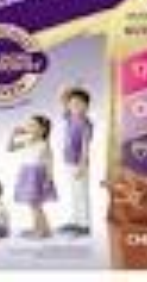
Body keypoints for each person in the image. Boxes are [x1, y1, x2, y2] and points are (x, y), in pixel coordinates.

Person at [8, 115, 57, 239]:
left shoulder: (44, 144)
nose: (29, 127)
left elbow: (50, 163)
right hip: (26, 174)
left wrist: (49, 179)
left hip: (37, 176)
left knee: (35, 205)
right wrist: (13, 135)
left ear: (42, 129)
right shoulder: (27, 141)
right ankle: (44, 230)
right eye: (28, 125)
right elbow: (10, 148)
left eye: (33, 125)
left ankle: (40, 231)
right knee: (33, 205)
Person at [59, 87, 93, 237]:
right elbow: (63, 100)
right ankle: (75, 221)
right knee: (74, 193)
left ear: (86, 106)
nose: (75, 107)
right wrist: (69, 92)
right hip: (69, 162)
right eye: (72, 104)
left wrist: (82, 166)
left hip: (79, 164)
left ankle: (85, 226)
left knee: (81, 194)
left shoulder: (86, 124)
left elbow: (85, 147)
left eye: (79, 104)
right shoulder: (69, 117)